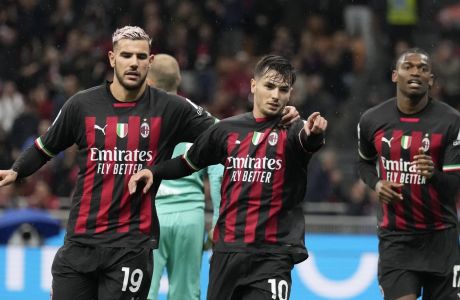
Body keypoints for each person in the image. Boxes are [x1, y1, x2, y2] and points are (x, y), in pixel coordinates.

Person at [0, 27, 299, 300]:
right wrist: (17, 170)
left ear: (149, 62)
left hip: (131, 246)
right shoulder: (81, 105)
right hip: (80, 241)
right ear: (112, 58)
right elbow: (45, 147)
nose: (133, 63)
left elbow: (227, 134)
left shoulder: (171, 108)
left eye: (140, 57)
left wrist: (273, 120)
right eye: (126, 55)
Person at [129, 54, 328, 300]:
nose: (276, 95)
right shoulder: (226, 130)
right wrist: (154, 171)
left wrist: (315, 134)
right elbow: (188, 162)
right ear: (254, 85)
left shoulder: (295, 130)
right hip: (227, 252)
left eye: (283, 89)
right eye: (269, 86)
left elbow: (308, 141)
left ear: (290, 94)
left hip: (273, 254)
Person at [357, 48, 460, 300]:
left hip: (441, 238)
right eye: (408, 66)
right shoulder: (371, 120)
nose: (416, 72)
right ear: (395, 75)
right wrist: (377, 184)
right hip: (396, 240)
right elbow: (363, 164)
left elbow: (453, 187)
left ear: (431, 80)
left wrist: (433, 175)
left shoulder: (451, 121)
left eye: (423, 68)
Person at [146, 53, 224, 300]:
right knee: (186, 294)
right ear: (179, 80)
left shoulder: (139, 119)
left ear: (148, 80)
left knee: (141, 290)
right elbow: (220, 174)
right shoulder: (203, 121)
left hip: (149, 214)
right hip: (190, 216)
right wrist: (219, 220)